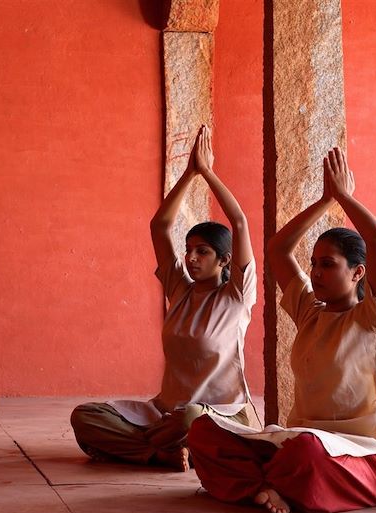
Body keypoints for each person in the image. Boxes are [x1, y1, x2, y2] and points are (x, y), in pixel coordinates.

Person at [188, 147, 376, 513]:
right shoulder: (309, 312)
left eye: (327, 265)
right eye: (313, 264)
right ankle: (265, 487)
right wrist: (324, 200)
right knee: (204, 431)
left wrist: (345, 198)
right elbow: (279, 249)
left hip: (358, 455)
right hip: (297, 441)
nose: (315, 273)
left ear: (358, 273)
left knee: (307, 454)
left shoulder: (373, 317)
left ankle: (255, 484)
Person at [70, 125, 259, 471]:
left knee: (190, 418)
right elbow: (160, 226)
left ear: (225, 260)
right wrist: (188, 174)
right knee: (86, 416)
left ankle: (146, 447)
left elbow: (240, 223)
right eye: (189, 251)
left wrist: (208, 173)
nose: (191, 259)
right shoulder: (180, 289)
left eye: (202, 252)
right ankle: (158, 452)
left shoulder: (236, 297)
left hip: (218, 413)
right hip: (165, 411)